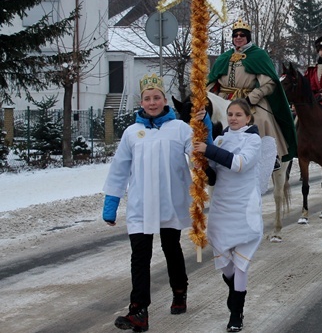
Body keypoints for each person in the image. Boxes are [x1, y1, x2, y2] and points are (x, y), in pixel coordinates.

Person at [102, 73, 208, 332]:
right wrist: (111, 202)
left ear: (164, 100)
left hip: (169, 202)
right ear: (141, 102)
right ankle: (138, 311)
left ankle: (179, 290)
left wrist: (203, 132)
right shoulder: (131, 133)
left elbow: (197, 155)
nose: (152, 102)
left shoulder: (180, 128)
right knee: (140, 255)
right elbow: (119, 170)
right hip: (140, 204)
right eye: (148, 98)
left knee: (171, 248)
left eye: (157, 97)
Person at [193, 99, 268, 332]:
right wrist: (202, 166)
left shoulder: (253, 140)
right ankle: (235, 291)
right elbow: (214, 176)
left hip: (244, 208)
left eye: (238, 114)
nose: (234, 118)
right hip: (222, 207)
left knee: (241, 265)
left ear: (248, 117)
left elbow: (239, 164)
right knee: (226, 264)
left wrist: (209, 150)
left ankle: (236, 313)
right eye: (230, 114)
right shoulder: (221, 139)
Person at [207, 19, 297, 170]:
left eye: (242, 34)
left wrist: (251, 98)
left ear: (248, 37)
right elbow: (212, 82)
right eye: (236, 35)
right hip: (225, 98)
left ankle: (270, 156)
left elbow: (269, 83)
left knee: (261, 119)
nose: (239, 37)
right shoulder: (224, 57)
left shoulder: (258, 55)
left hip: (250, 98)